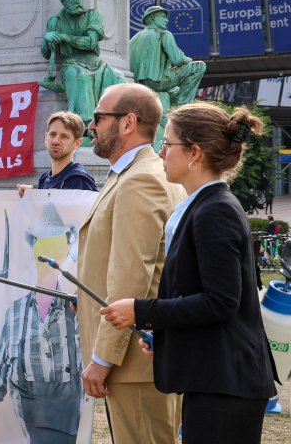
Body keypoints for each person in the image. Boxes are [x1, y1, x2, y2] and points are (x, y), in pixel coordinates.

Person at [100, 103, 279, 443]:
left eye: (167, 144)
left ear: (194, 153)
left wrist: (140, 310)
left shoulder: (215, 211)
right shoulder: (204, 205)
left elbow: (221, 301)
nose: (160, 152)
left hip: (226, 384)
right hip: (218, 380)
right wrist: (167, 336)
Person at [77, 83, 186, 444]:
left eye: (98, 117)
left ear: (128, 123)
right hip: (138, 356)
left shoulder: (141, 179)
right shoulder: (135, 174)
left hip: (133, 362)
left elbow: (131, 277)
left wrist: (103, 358)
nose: (90, 126)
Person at [0, 202, 83, 444]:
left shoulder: (78, 310)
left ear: (64, 250)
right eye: (42, 242)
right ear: (33, 247)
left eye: (55, 242)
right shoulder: (15, 313)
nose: (48, 250)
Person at [39, 0, 127, 131]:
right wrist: (48, 39)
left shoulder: (93, 15)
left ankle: (117, 124)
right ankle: (84, 125)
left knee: (121, 81)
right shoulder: (55, 22)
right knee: (81, 78)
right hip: (71, 63)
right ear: (64, 1)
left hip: (95, 62)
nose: (78, 1)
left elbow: (91, 43)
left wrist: (64, 37)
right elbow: (46, 53)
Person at [17, 111, 98, 197]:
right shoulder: (44, 179)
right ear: (46, 138)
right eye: (52, 134)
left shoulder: (78, 180)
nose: (55, 141)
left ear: (77, 143)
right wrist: (31, 197)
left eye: (64, 136)